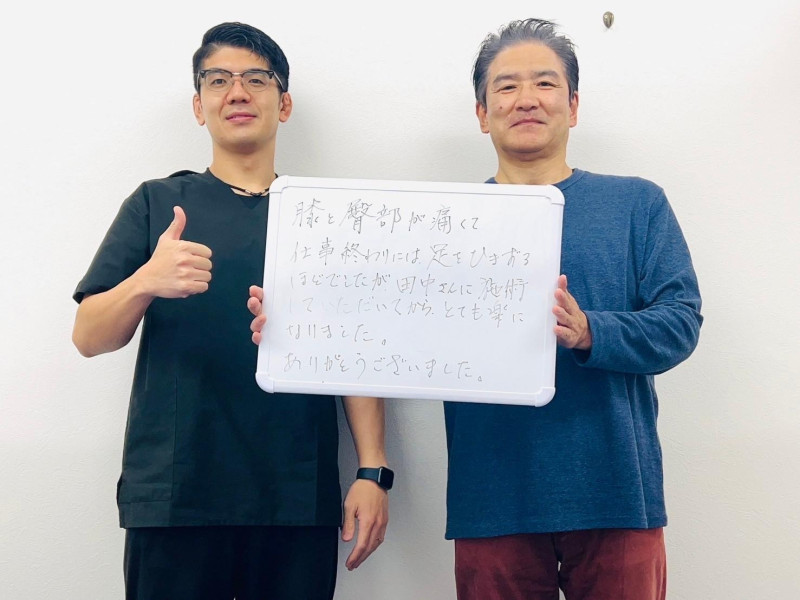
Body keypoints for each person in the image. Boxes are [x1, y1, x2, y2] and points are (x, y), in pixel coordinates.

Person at [249, 16, 701, 600]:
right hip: (492, 499)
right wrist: (295, 326)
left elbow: (681, 322)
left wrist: (591, 330)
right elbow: (380, 331)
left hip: (616, 494)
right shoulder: (444, 223)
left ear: (573, 105)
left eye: (545, 83)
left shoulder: (636, 203)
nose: (526, 99)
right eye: (506, 87)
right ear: (483, 114)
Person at [72, 22, 390, 600]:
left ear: (283, 103)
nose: (237, 92)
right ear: (199, 106)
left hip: (296, 495)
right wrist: (145, 281)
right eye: (218, 80)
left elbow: (357, 351)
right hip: (175, 496)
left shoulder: (326, 217)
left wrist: (373, 470)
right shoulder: (157, 203)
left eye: (256, 79)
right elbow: (88, 337)